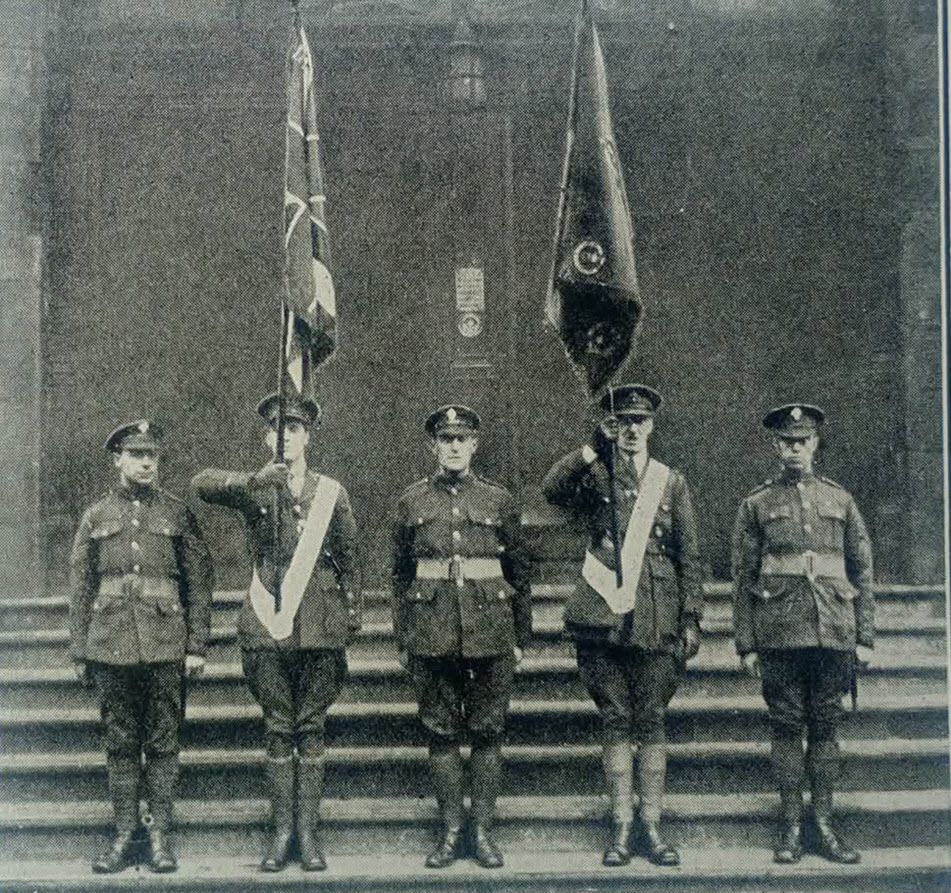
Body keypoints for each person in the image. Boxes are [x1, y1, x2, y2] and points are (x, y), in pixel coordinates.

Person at [191, 393, 360, 872]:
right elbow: (201, 484)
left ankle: (307, 833)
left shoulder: (332, 493)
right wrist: (253, 480)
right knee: (278, 726)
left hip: (320, 621)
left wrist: (351, 618)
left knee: (312, 727)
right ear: (267, 438)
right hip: (267, 622)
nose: (285, 438)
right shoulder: (255, 488)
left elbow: (350, 558)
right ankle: (281, 832)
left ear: (308, 436)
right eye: (277, 430)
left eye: (295, 429)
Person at [542, 384, 702, 867]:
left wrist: (691, 617)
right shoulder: (596, 475)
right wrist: (593, 446)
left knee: (651, 719)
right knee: (614, 718)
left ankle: (651, 826)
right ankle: (621, 827)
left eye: (640, 421)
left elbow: (688, 554)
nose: (632, 429)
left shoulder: (670, 482)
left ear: (652, 426)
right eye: (624, 421)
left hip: (656, 614)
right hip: (602, 616)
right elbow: (552, 489)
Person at [731, 403, 874, 865]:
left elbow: (862, 569)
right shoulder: (757, 504)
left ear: (815, 444)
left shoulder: (840, 500)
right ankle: (792, 826)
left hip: (834, 629)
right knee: (787, 726)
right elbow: (743, 578)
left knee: (826, 726)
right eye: (787, 442)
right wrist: (746, 643)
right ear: (776, 446)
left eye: (803, 441)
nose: (795, 449)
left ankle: (824, 825)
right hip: (780, 633)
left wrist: (865, 636)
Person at [391, 405, 532, 869]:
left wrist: (520, 636)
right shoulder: (412, 501)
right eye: (445, 439)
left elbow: (519, 571)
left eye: (461, 439)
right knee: (441, 733)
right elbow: (400, 574)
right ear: (433, 446)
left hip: (490, 629)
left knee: (488, 732)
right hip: (432, 630)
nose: (453, 447)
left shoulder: (498, 500)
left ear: (474, 445)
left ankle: (482, 833)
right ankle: (451, 831)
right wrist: (404, 637)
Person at [69, 420, 213, 874]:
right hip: (110, 645)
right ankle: (124, 836)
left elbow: (198, 583)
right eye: (136, 455)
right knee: (120, 743)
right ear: (118, 460)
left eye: (152, 455)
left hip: (166, 645)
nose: (147, 462)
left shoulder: (177, 514)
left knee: (164, 742)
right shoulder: (96, 516)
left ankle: (159, 839)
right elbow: (80, 586)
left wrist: (196, 645)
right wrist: (80, 650)